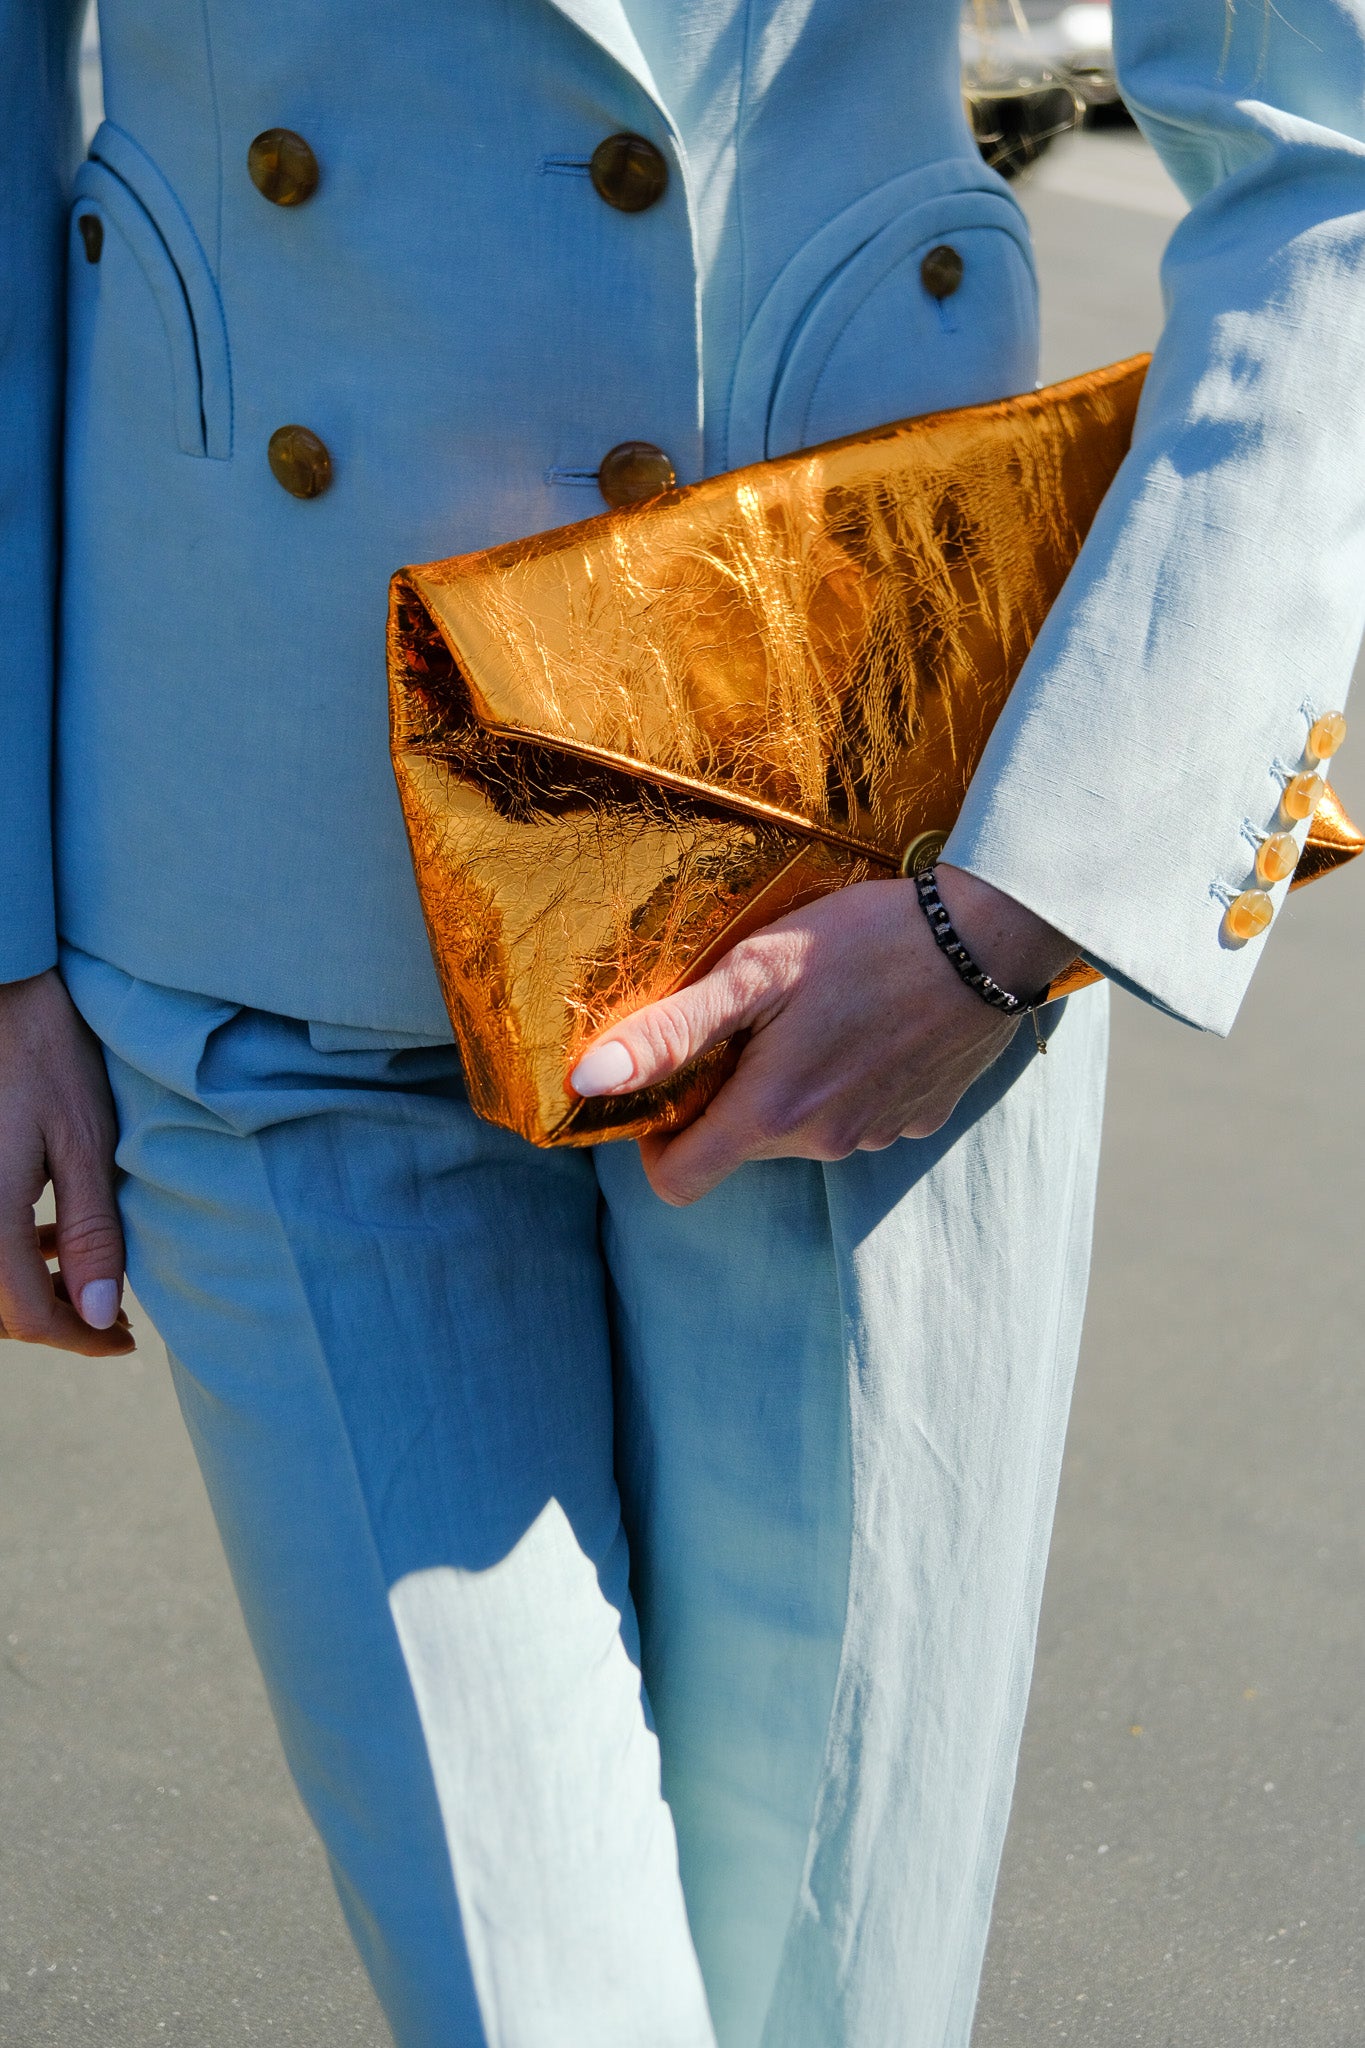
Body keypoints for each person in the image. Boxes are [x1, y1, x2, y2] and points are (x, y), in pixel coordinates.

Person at [1, 3, 1361, 2043]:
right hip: (257, 834)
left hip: (849, 848)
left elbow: (1325, 168)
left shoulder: (934, 924)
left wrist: (1021, 901)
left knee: (834, 1996)